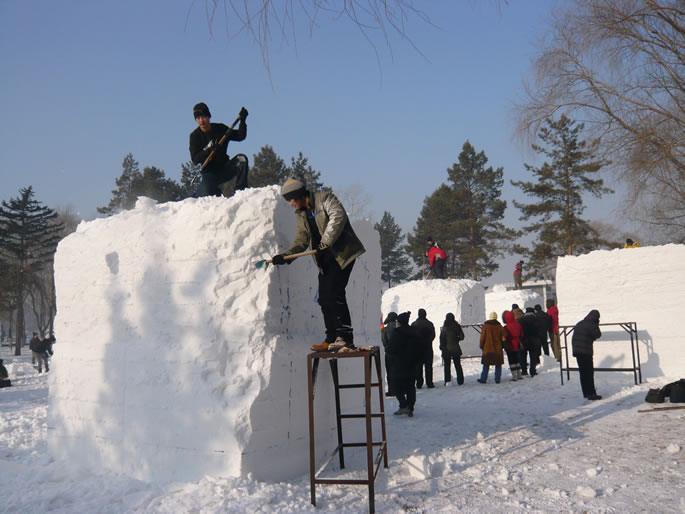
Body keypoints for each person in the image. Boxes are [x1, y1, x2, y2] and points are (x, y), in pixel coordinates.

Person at [271, 178, 366, 352]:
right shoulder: (302, 215)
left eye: (292, 199)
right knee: (324, 298)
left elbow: (338, 217)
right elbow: (301, 240)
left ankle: (344, 338)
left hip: (343, 254)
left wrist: (325, 244)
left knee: (334, 293)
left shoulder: (325, 199)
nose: (291, 204)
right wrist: (286, 257)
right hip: (325, 260)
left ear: (300, 195)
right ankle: (332, 338)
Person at [189, 102, 249, 197]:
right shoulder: (195, 136)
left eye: (204, 117)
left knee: (242, 159)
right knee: (208, 196)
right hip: (209, 174)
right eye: (198, 118)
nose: (201, 121)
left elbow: (240, 136)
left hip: (224, 169)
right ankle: (196, 195)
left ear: (209, 117)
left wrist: (242, 121)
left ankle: (241, 191)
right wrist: (208, 151)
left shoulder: (220, 129)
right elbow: (195, 159)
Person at [386, 312, 421, 417]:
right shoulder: (414, 332)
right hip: (412, 364)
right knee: (410, 386)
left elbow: (390, 349)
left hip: (399, 364)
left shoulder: (397, 334)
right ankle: (410, 407)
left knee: (396, 386)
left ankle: (403, 405)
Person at [572, 310, 603, 400]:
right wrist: (596, 324)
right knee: (589, 372)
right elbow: (598, 335)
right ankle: (591, 393)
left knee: (583, 372)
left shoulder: (580, 323)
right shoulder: (592, 324)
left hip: (577, 351)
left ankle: (586, 392)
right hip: (585, 351)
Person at [477, 312, 507, 383]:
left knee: (486, 364)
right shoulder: (499, 326)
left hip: (487, 348)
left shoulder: (486, 326)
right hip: (497, 348)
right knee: (498, 364)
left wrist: (481, 345)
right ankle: (497, 379)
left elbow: (482, 337)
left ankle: (483, 378)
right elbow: (504, 336)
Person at [411, 309, 436, 389]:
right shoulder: (430, 324)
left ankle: (419, 383)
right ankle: (429, 383)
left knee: (418, 367)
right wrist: (428, 341)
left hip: (417, 348)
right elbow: (433, 335)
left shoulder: (414, 324)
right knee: (428, 366)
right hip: (428, 347)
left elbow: (412, 336)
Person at [439, 313, 465, 386]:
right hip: (456, 348)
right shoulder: (456, 326)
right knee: (458, 365)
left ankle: (447, 381)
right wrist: (457, 339)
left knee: (447, 366)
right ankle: (460, 381)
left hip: (447, 349)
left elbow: (441, 339)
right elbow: (462, 336)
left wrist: (442, 346)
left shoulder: (444, 327)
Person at [520, 307, 543, 376]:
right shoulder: (537, 320)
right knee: (533, 357)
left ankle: (524, 371)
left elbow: (519, 331)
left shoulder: (522, 320)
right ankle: (532, 371)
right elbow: (540, 331)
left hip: (524, 340)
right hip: (534, 340)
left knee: (523, 356)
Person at [381, 312, 398, 397]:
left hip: (389, 354)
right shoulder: (400, 327)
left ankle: (392, 390)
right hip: (400, 354)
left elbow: (384, 342)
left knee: (390, 372)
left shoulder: (385, 330)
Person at [503, 310, 523, 380]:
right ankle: (519, 374)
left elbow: (504, 337)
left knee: (511, 360)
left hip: (510, 345)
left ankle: (514, 376)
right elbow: (521, 335)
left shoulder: (506, 327)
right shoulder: (518, 325)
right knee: (517, 360)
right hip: (517, 345)